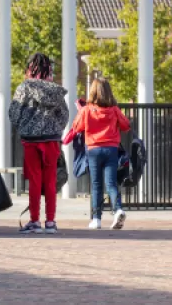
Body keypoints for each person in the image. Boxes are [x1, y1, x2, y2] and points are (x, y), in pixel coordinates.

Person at [9, 53, 69, 235]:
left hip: (31, 140)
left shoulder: (24, 87)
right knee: (50, 181)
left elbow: (14, 112)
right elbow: (64, 115)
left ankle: (34, 220)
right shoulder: (56, 91)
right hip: (51, 140)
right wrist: (54, 128)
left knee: (34, 181)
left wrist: (25, 126)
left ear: (30, 69)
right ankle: (50, 221)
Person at [63, 77, 130, 230]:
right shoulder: (114, 110)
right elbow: (126, 125)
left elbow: (76, 126)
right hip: (111, 149)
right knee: (111, 183)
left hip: (93, 149)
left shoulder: (87, 110)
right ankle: (118, 209)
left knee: (96, 185)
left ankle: (96, 219)